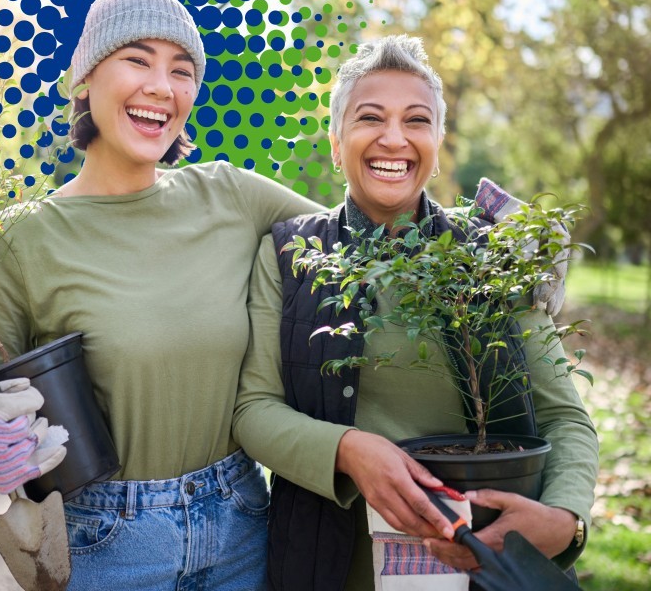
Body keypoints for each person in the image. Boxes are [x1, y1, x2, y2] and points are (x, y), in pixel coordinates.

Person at [0, 0, 569, 590]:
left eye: (182, 70)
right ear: (84, 77)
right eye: (138, 60)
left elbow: (368, 226)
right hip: (108, 541)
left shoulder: (230, 193)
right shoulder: (16, 240)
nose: (161, 87)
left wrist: (502, 245)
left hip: (244, 528)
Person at [232, 35, 598, 590]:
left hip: (486, 557)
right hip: (327, 560)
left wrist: (565, 517)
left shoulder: (494, 253)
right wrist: (348, 451)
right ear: (336, 144)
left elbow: (562, 416)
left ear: (438, 142)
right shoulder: (287, 255)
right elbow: (254, 408)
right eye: (370, 117)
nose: (394, 138)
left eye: (417, 120)